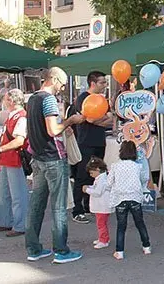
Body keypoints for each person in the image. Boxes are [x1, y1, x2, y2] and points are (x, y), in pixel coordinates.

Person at [25, 67, 86, 264]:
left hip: (38, 156)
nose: (62, 87)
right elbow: (53, 130)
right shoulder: (48, 99)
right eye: (62, 83)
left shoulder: (33, 98)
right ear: (53, 79)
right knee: (58, 207)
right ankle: (61, 250)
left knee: (37, 204)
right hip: (52, 157)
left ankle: (33, 248)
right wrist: (70, 121)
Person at [71, 71, 113, 224]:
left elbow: (110, 119)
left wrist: (99, 120)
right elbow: (90, 118)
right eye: (102, 82)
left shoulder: (102, 99)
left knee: (97, 175)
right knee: (82, 175)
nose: (105, 85)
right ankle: (78, 209)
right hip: (86, 142)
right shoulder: (83, 98)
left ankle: (90, 205)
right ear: (93, 83)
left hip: (100, 141)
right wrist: (100, 119)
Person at [0, 89, 29, 237]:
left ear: (11, 101)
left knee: (18, 194)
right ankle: (6, 221)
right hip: (7, 159)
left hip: (14, 159)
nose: (3, 102)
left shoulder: (21, 117)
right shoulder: (14, 116)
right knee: (4, 193)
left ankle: (20, 225)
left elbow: (19, 140)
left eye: (5, 99)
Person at [108, 140, 151, 260]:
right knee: (140, 223)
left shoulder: (115, 166)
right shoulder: (138, 166)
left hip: (120, 198)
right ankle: (146, 246)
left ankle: (119, 251)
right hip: (135, 197)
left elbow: (109, 182)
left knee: (121, 226)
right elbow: (144, 178)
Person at [84, 157, 111, 250]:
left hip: (102, 206)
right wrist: (91, 187)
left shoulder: (101, 180)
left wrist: (87, 189)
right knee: (102, 223)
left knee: (101, 224)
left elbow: (97, 192)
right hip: (102, 205)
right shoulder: (102, 178)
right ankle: (103, 238)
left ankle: (103, 240)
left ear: (97, 170)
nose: (91, 175)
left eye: (91, 173)